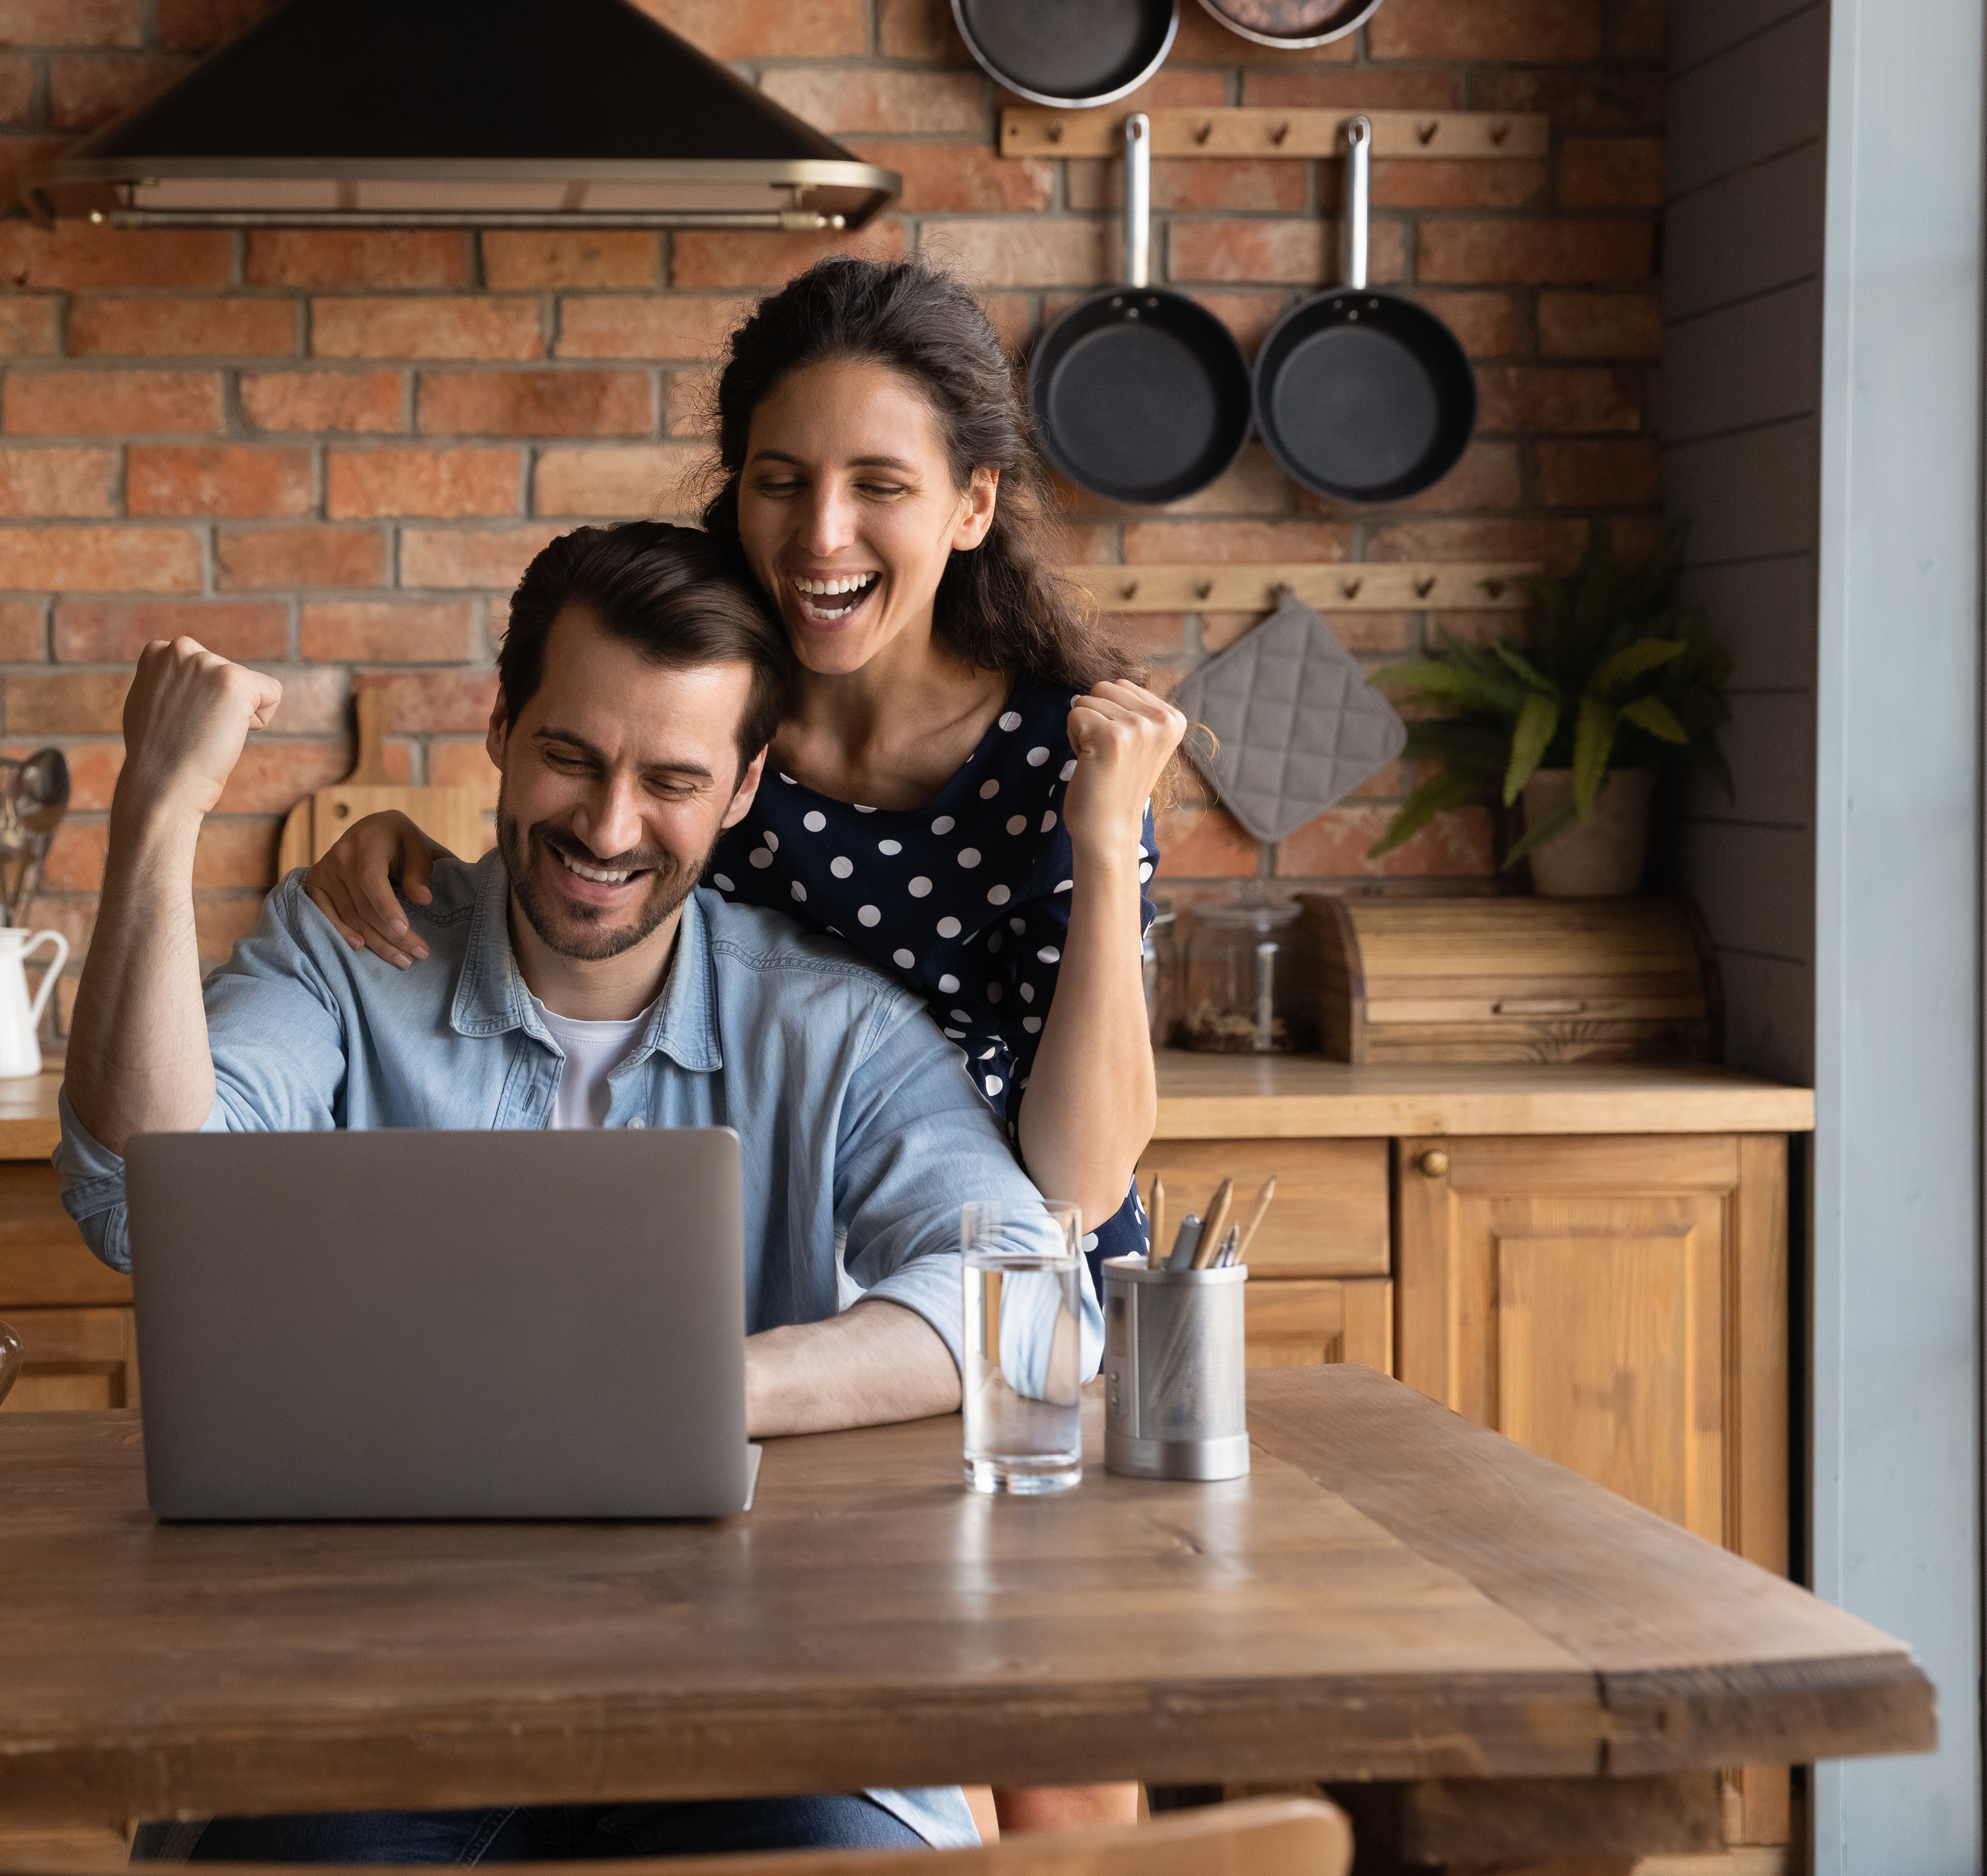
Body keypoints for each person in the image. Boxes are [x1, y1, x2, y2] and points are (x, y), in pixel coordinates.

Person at [302, 261, 1184, 1842]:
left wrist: (1109, 846)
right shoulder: (735, 717)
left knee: (1048, 1760)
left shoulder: (1064, 755)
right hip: (783, 1314)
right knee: (774, 1727)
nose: (821, 533)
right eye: (782, 480)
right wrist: (408, 849)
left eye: (879, 486)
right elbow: (605, 856)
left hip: (1009, 1311)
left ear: (974, 507)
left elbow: (1080, 1172)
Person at [58, 520, 1094, 1863]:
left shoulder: (834, 1024)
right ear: (499, 723)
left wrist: (708, 1391)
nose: (609, 827)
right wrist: (158, 810)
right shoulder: (345, 954)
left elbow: (1033, 1297)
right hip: (368, 1705)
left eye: (672, 778)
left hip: (754, 1701)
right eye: (570, 756)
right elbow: (139, 1199)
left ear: (743, 788)